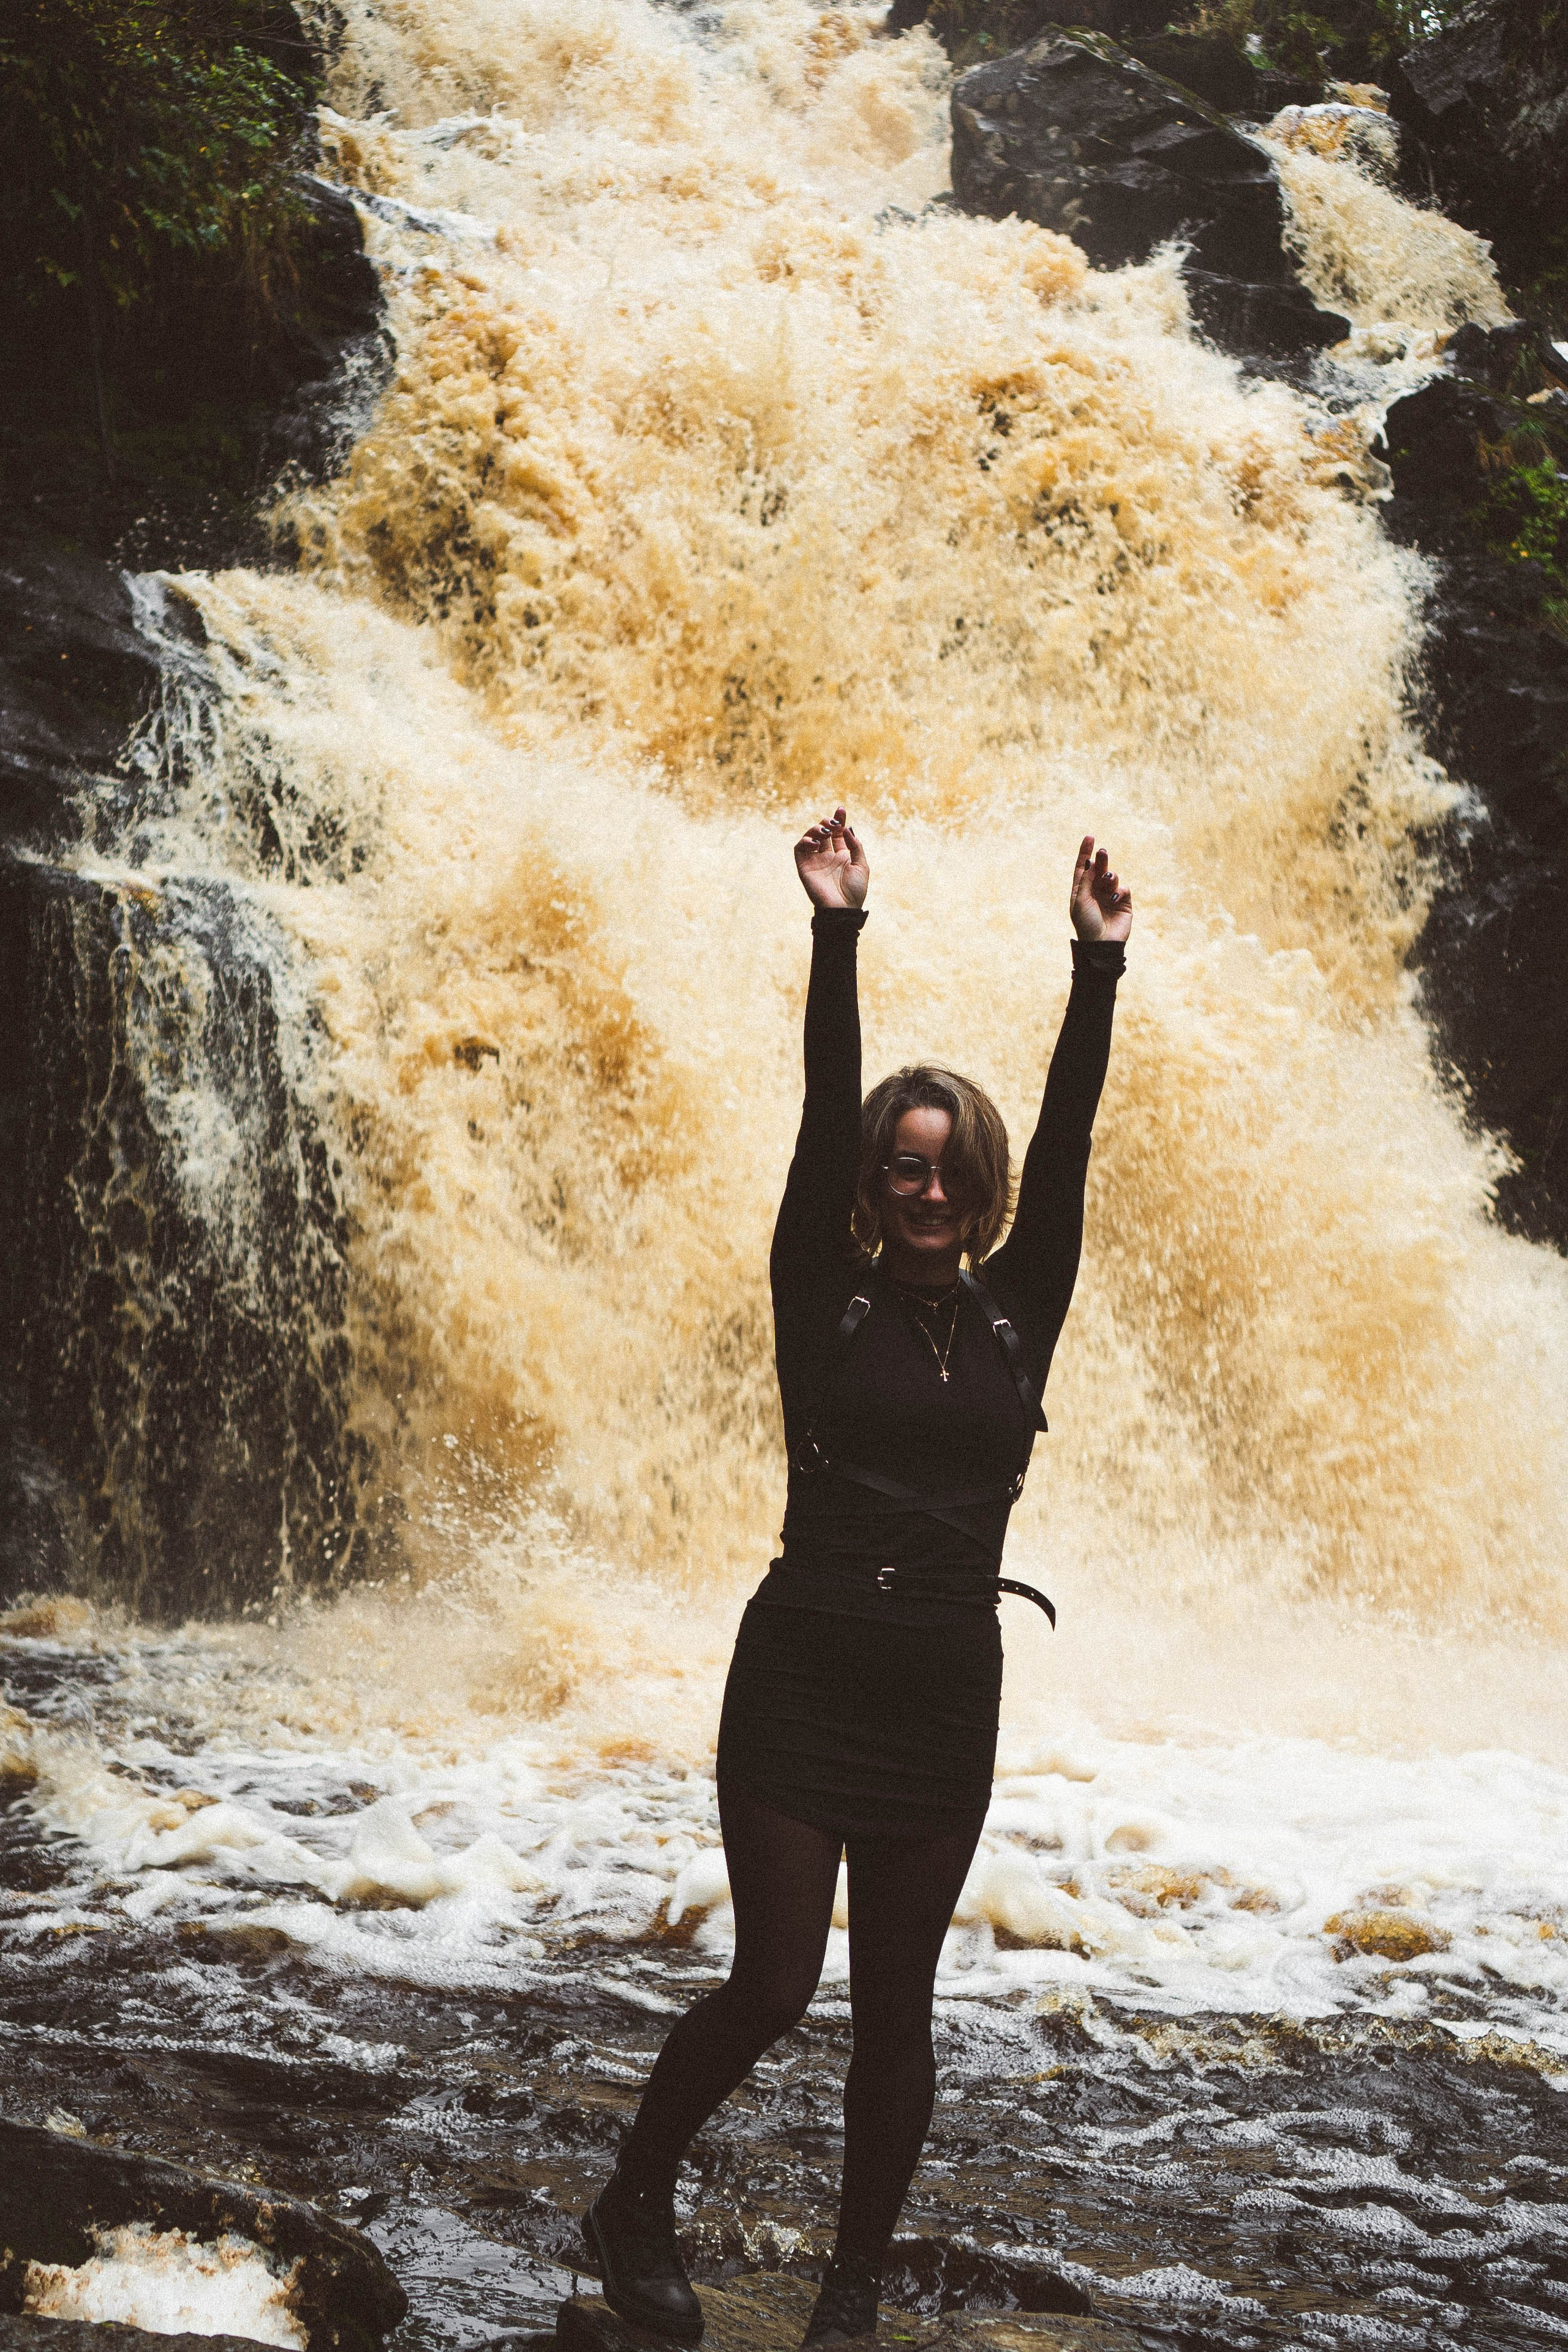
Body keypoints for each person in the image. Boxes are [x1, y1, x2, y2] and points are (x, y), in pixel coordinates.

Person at [584, 810, 1131, 2345]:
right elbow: (826, 1103)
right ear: (872, 1184)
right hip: (806, 1672)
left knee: (899, 2012)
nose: (926, 1191)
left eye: (949, 1172)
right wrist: (837, 930)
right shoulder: (816, 1290)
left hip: (943, 1688)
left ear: (981, 1187)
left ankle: (848, 2296)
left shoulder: (1020, 1308)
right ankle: (634, 2196)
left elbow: (1070, 1140)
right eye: (903, 1169)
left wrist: (1096, 966)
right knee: (772, 1987)